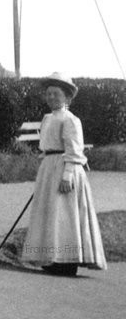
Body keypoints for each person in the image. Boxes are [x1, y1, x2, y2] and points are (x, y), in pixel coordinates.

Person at [21, 72, 107, 276]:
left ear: (67, 98)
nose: (51, 98)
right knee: (50, 213)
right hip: (49, 167)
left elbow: (74, 150)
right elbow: (46, 146)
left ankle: (67, 262)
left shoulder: (71, 120)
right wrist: (44, 171)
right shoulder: (47, 118)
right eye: (49, 94)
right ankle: (51, 258)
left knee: (64, 214)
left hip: (65, 167)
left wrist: (67, 175)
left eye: (56, 94)